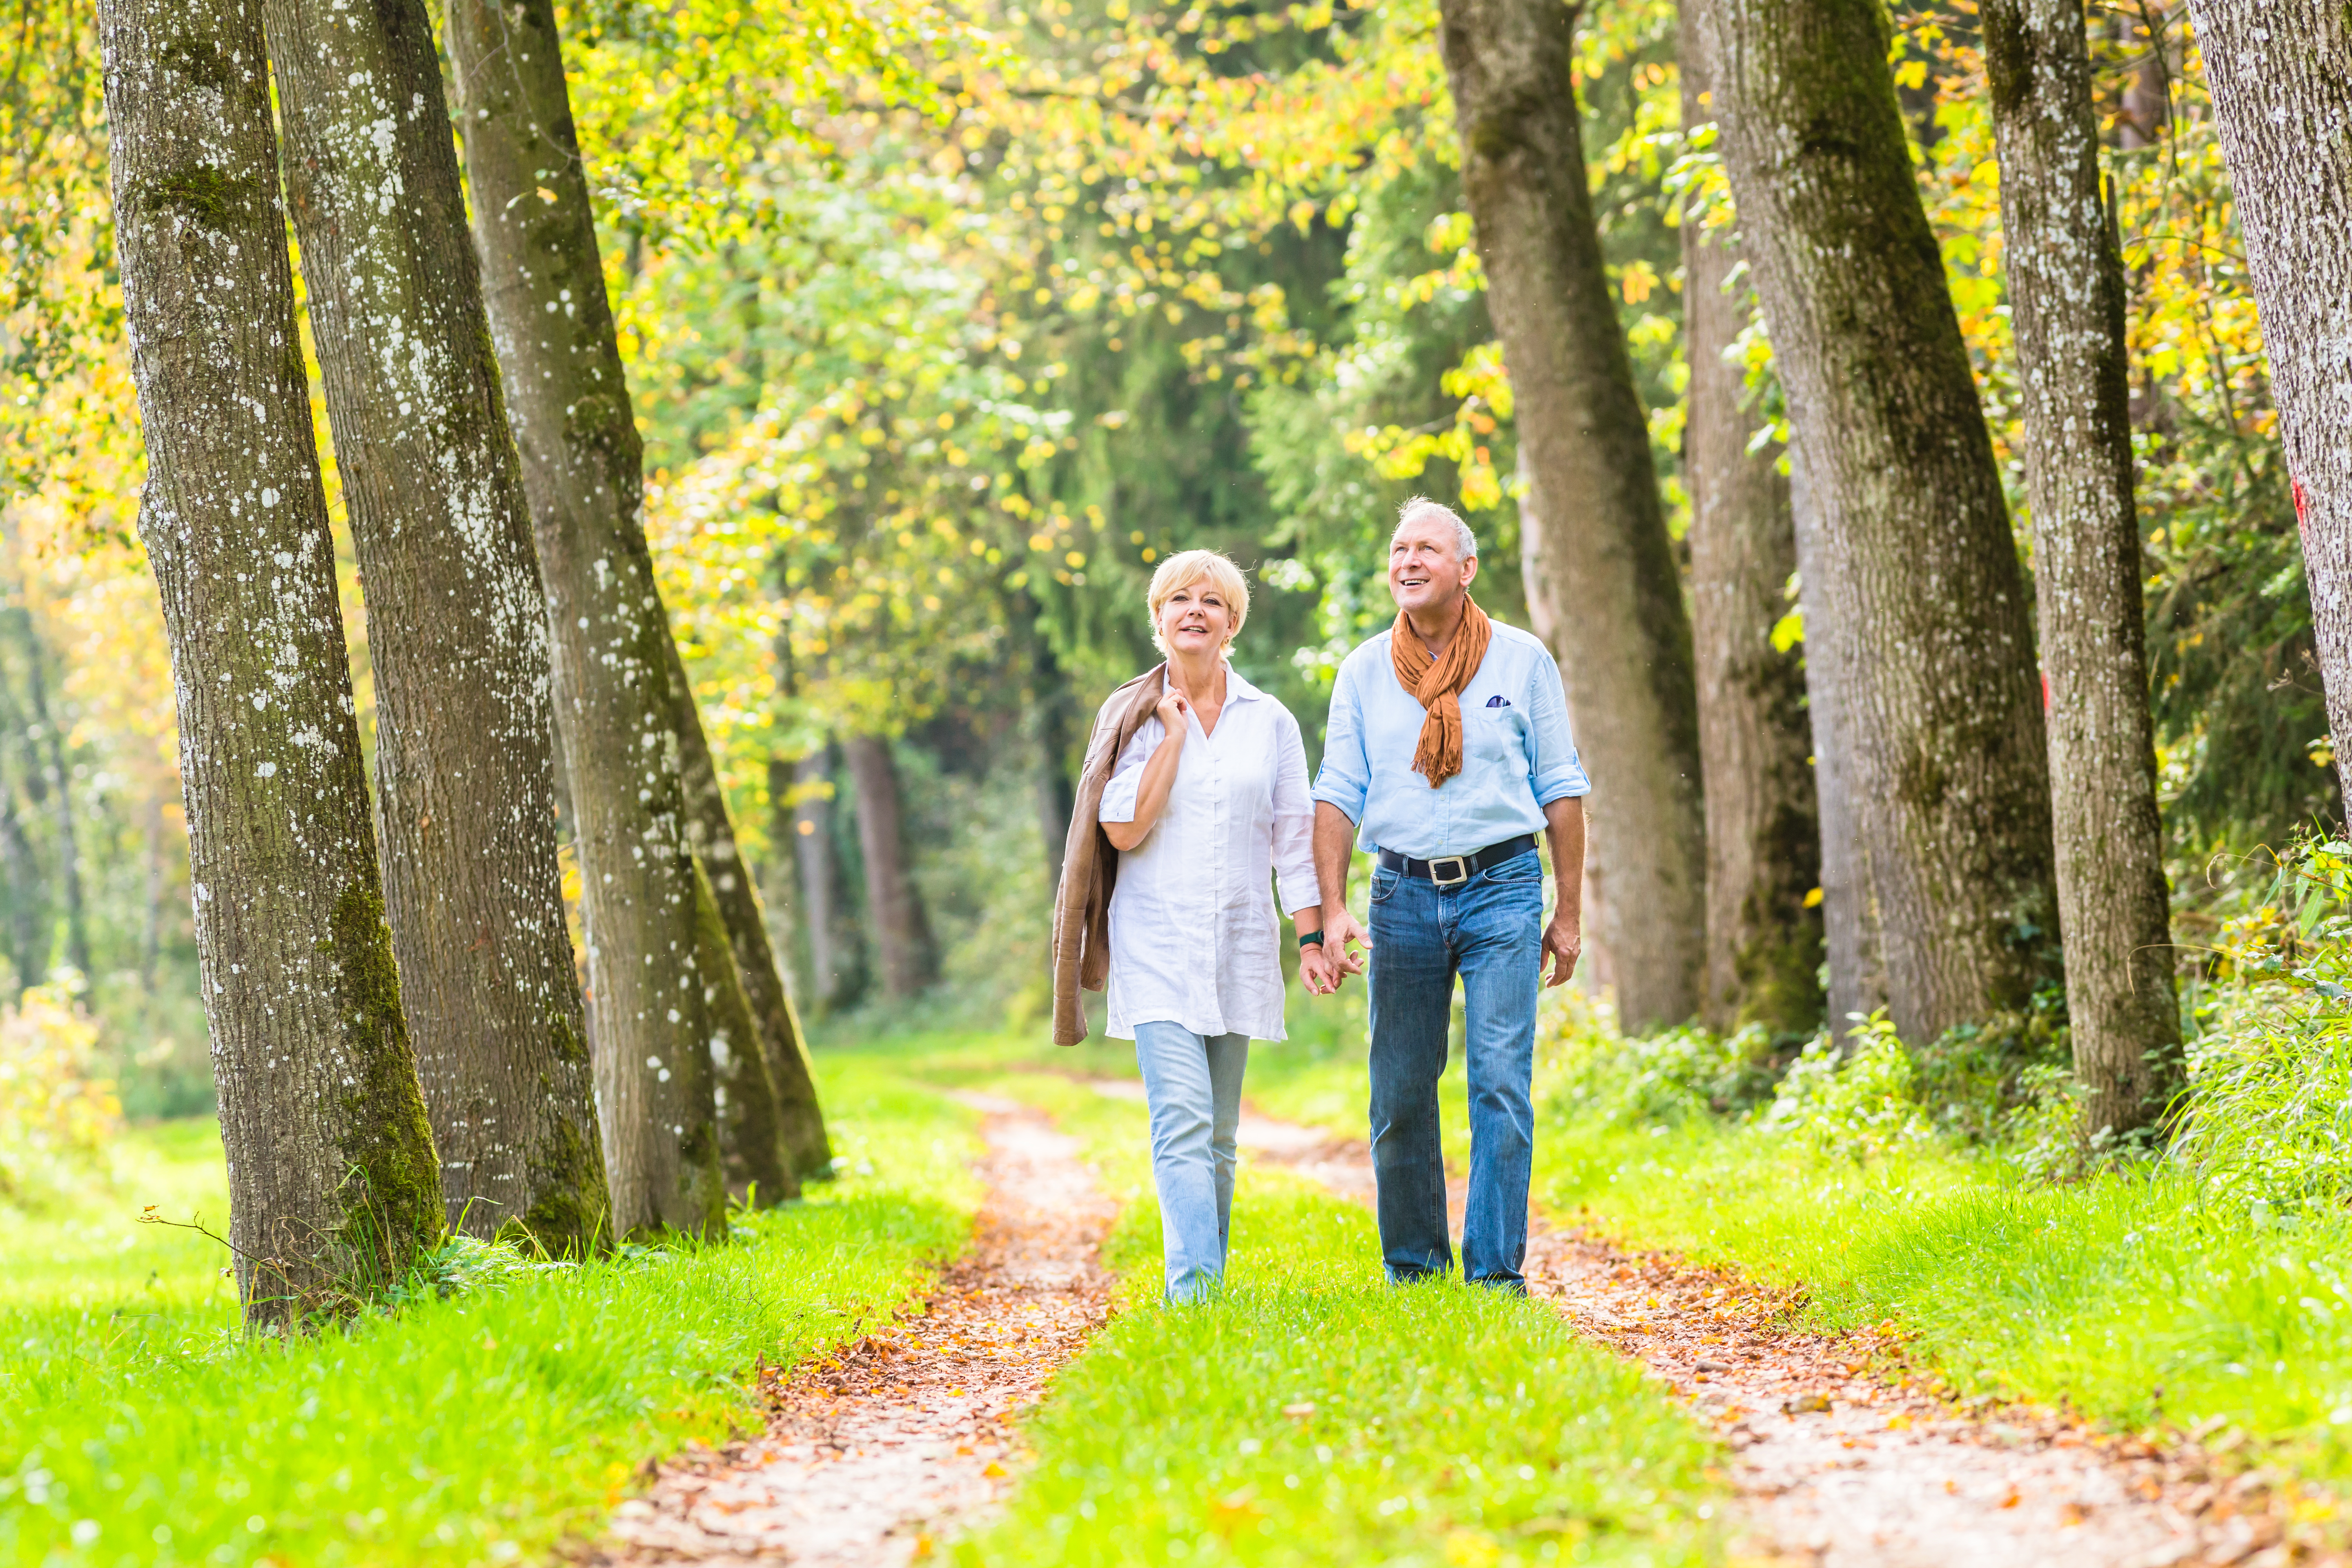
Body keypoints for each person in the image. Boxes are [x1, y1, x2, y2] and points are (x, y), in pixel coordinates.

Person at [1047, 549, 1339, 1301]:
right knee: (1181, 1122)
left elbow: (1292, 839)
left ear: (1232, 622)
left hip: (1239, 944)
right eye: (1179, 599)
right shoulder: (1132, 718)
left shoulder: (1269, 721)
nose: (1194, 612)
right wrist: (1173, 739)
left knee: (1219, 1138)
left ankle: (1207, 1285)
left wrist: (1311, 937)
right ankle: (1195, 1295)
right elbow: (1122, 830)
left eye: (1212, 601)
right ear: (1159, 619)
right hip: (1157, 944)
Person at [1311, 498, 1587, 1290]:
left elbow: (1562, 786)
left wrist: (1567, 913)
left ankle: (1496, 1276)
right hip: (1400, 892)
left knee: (1500, 1081)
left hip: (1504, 885)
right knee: (1400, 1090)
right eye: (1399, 548)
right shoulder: (1364, 670)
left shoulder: (1523, 659)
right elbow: (1337, 791)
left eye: (1427, 548)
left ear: (1466, 569)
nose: (1408, 561)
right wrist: (1332, 909)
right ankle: (1416, 1272)